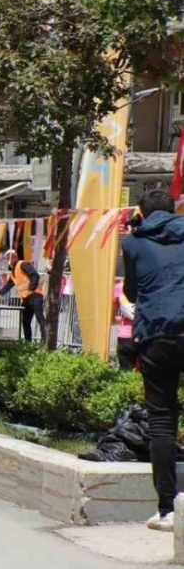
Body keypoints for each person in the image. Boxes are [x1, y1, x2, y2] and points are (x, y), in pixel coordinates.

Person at [121, 189, 184, 532]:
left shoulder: (132, 243)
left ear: (142, 214)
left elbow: (131, 291)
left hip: (157, 334)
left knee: (162, 420)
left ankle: (167, 510)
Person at [0, 249, 45, 342]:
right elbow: (8, 286)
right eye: (7, 259)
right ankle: (28, 343)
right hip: (25, 299)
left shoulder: (23, 264)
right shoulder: (13, 273)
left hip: (35, 295)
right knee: (25, 322)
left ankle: (45, 341)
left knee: (40, 318)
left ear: (15, 257)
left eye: (10, 258)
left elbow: (35, 275)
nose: (9, 261)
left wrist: (31, 288)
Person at [113, 278, 136, 371]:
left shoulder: (119, 287)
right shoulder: (149, 284)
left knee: (126, 372)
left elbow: (111, 317)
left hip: (126, 334)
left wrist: (121, 319)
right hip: (146, 333)